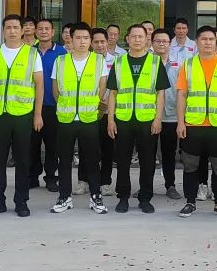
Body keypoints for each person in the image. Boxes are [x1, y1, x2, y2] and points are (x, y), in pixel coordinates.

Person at [0, 14, 45, 218]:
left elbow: (39, 85)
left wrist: (38, 114)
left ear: (23, 30)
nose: (12, 31)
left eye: (16, 27)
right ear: (3, 30)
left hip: (23, 115)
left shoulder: (32, 54)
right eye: (8, 27)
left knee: (23, 160)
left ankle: (21, 201)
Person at [176, 25, 217, 219]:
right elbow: (182, 94)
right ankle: (190, 202)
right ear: (197, 42)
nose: (208, 42)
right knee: (190, 166)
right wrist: (180, 122)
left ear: (216, 42)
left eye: (211, 39)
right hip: (193, 124)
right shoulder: (188, 65)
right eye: (203, 39)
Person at [107, 24, 170, 213]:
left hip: (147, 120)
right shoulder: (119, 62)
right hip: (123, 120)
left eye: (140, 36)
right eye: (133, 36)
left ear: (146, 39)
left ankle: (145, 198)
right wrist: (110, 120)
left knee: (147, 162)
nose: (137, 39)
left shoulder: (155, 62)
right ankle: (123, 197)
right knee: (123, 161)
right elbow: (113, 93)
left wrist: (158, 119)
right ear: (127, 39)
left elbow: (160, 93)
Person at [51, 22, 110, 215]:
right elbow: (55, 90)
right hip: (66, 118)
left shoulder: (98, 61)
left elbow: (102, 88)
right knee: (64, 160)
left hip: (89, 118)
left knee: (92, 159)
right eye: (78, 38)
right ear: (71, 39)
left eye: (86, 38)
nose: (82, 41)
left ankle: (95, 196)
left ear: (90, 40)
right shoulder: (60, 61)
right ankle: (64, 197)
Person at [31, 18, 66, 192]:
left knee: (53, 145)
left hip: (54, 106)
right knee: (32, 144)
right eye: (40, 29)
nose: (43, 31)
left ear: (53, 32)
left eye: (47, 29)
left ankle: (51, 178)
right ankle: (32, 177)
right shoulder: (29, 52)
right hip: (31, 106)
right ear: (35, 32)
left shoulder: (61, 53)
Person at [84, 27, 117, 196]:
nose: (99, 45)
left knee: (107, 149)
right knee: (87, 147)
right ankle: (84, 180)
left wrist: (107, 103)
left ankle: (105, 182)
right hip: (88, 110)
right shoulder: (84, 60)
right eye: (96, 42)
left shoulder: (117, 61)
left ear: (108, 42)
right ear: (91, 43)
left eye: (102, 41)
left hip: (108, 111)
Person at [152, 29, 184, 200]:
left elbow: (182, 91)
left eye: (164, 41)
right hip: (149, 115)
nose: (161, 44)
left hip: (171, 115)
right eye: (158, 41)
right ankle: (145, 186)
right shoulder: (147, 63)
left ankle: (170, 185)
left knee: (169, 153)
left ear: (170, 44)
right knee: (147, 153)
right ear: (152, 44)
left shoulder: (179, 64)